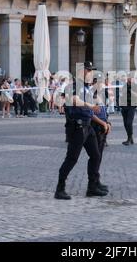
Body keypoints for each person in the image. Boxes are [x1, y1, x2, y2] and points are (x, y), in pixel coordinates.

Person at [55, 62, 110, 200]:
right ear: (82, 72)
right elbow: (74, 100)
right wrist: (90, 105)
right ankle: (60, 188)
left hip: (87, 126)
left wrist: (102, 122)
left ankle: (92, 186)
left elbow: (89, 111)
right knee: (72, 158)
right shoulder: (72, 86)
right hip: (77, 128)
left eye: (91, 71)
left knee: (96, 155)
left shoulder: (86, 89)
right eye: (89, 71)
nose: (91, 73)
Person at [120, 76, 137, 146]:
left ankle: (129, 138)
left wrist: (131, 91)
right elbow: (121, 94)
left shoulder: (135, 86)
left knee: (129, 123)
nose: (129, 79)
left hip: (131, 106)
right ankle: (130, 137)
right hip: (124, 106)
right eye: (129, 78)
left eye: (131, 78)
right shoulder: (124, 86)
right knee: (125, 124)